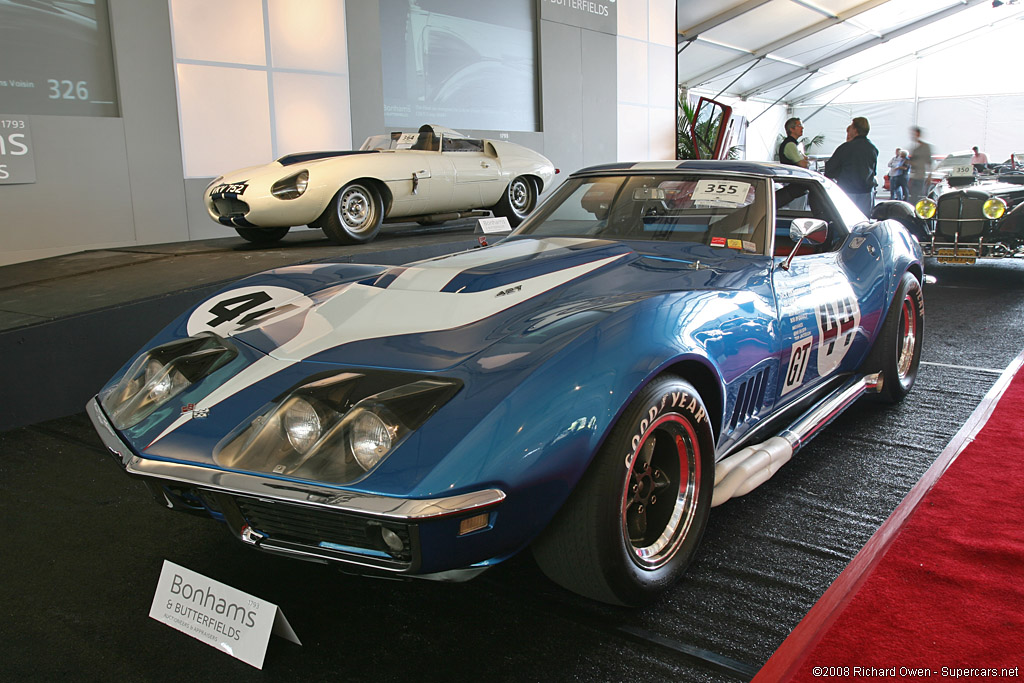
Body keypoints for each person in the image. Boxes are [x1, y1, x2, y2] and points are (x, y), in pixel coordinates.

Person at [824, 116, 878, 216]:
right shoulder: (873, 148)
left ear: (855, 130)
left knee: (846, 221)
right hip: (866, 192)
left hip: (847, 191)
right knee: (864, 222)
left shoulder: (845, 148)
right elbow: (874, 171)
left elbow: (829, 171)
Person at [908, 126, 933, 203]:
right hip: (914, 176)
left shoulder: (925, 147)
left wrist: (929, 176)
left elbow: (929, 162)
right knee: (913, 196)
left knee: (917, 196)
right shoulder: (915, 149)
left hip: (920, 176)